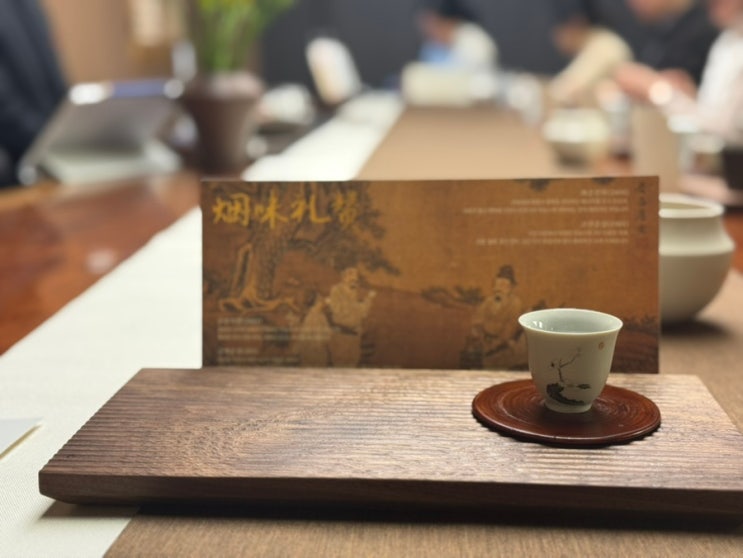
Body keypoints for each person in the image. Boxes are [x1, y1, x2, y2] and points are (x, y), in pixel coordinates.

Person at [550, 0, 718, 104]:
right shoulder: (663, 28)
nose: (631, 3)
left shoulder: (705, 29)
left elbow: (694, 103)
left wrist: (654, 87)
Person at [0, 0, 67, 188]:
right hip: (16, 160)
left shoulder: (27, 5)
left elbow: (53, 73)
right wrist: (52, 140)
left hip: (49, 145)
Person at [469, 265, 523, 369]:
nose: (499, 288)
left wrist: (497, 343)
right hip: (485, 344)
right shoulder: (488, 301)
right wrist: (479, 336)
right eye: (498, 284)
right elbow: (477, 321)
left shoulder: (515, 303)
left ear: (511, 287)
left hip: (504, 348)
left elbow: (511, 327)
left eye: (504, 285)